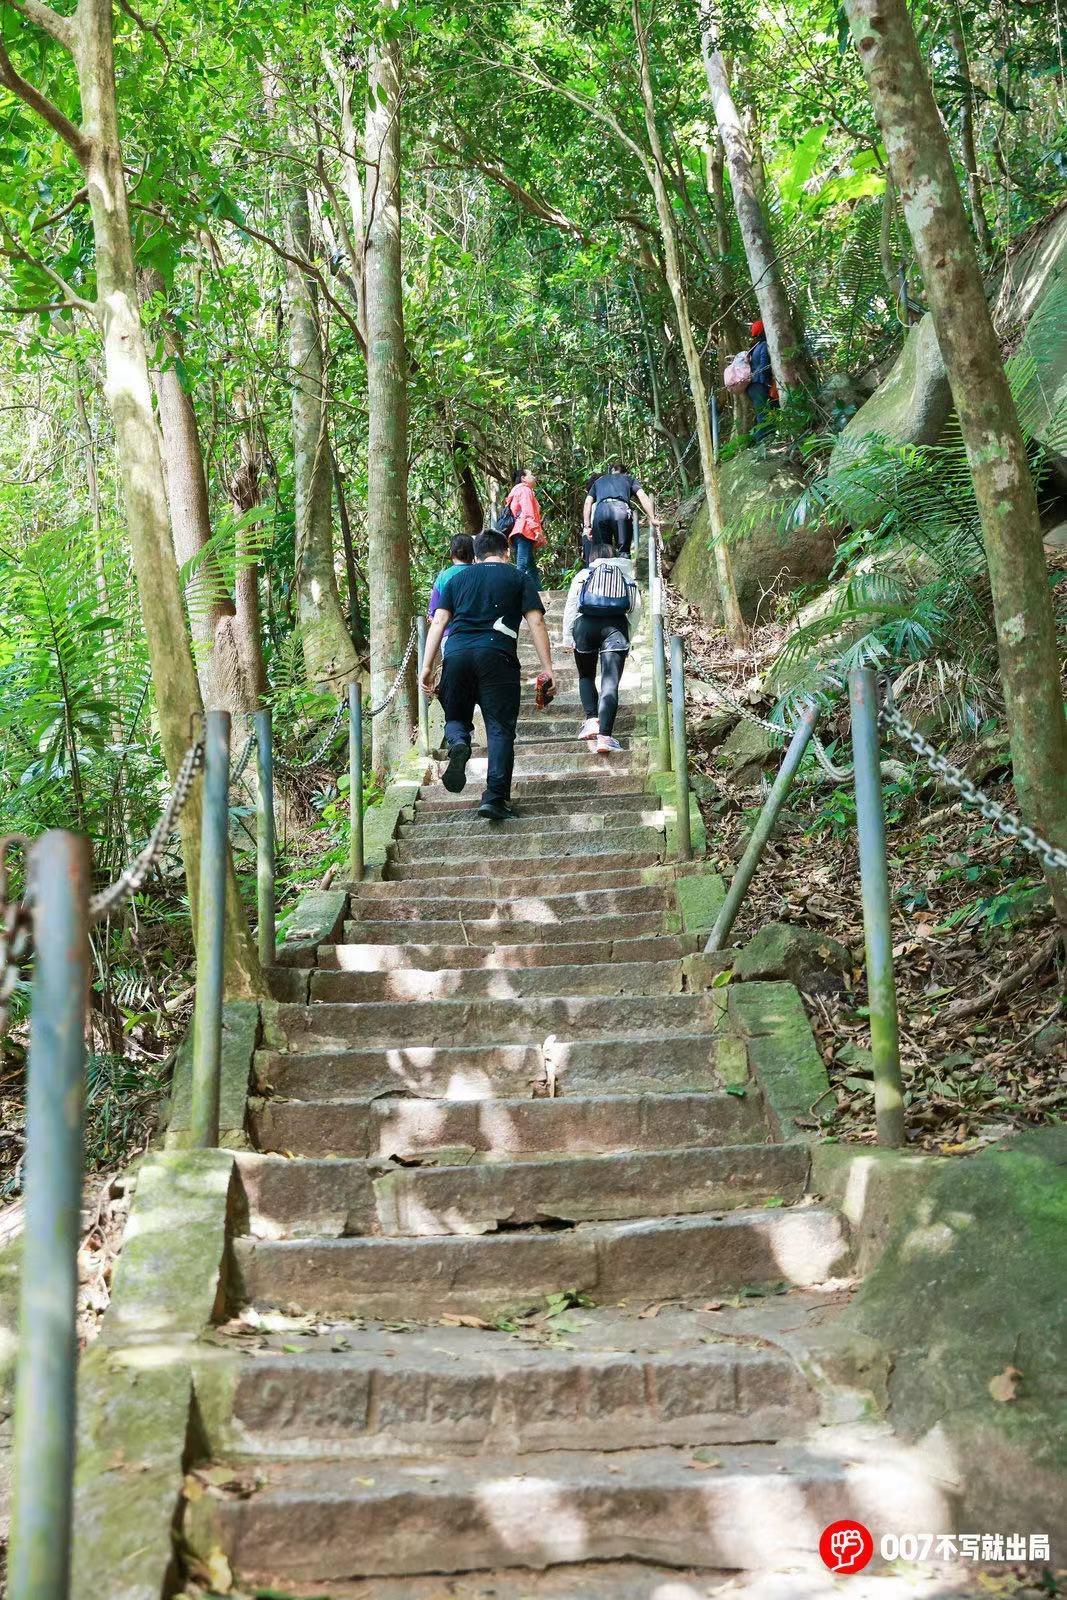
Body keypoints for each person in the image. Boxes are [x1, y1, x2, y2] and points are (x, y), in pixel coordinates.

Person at [420, 528, 554, 822]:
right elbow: (537, 620)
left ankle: (458, 743)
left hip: (456, 655)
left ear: (477, 556)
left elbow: (440, 620)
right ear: (506, 552)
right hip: (498, 659)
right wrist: (547, 668)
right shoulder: (519, 577)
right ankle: (494, 798)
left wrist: (428, 666)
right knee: (499, 729)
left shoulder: (457, 579)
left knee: (456, 717)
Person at [560, 540, 640, 754]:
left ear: (591, 556)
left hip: (585, 626)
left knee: (586, 676)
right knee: (610, 683)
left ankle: (591, 719)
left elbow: (571, 605)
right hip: (616, 627)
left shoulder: (584, 575)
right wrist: (628, 635)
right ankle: (605, 737)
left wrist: (567, 635)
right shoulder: (625, 574)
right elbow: (635, 608)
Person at [582, 461, 658, 563]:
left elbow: (587, 503)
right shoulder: (629, 479)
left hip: (600, 513)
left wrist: (587, 527)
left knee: (602, 553)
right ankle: (622, 571)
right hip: (620, 511)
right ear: (625, 473)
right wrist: (652, 517)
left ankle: (603, 576)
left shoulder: (599, 481)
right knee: (623, 553)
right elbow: (642, 496)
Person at [504, 466, 546, 592]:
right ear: (523, 478)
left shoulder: (516, 491)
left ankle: (539, 591)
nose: (534, 477)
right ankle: (513, 591)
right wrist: (536, 530)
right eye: (531, 474)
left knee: (530, 565)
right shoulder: (525, 490)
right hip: (524, 530)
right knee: (522, 563)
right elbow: (528, 512)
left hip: (518, 531)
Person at [428, 533, 474, 638]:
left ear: (451, 553)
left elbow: (433, 614)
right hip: (479, 636)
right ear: (474, 553)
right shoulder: (481, 574)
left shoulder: (443, 577)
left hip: (450, 635)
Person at [747, 319, 778, 438]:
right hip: (759, 384)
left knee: (765, 411)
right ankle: (761, 441)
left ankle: (766, 438)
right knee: (763, 414)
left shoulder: (754, 347)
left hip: (753, 386)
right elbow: (764, 366)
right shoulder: (764, 345)